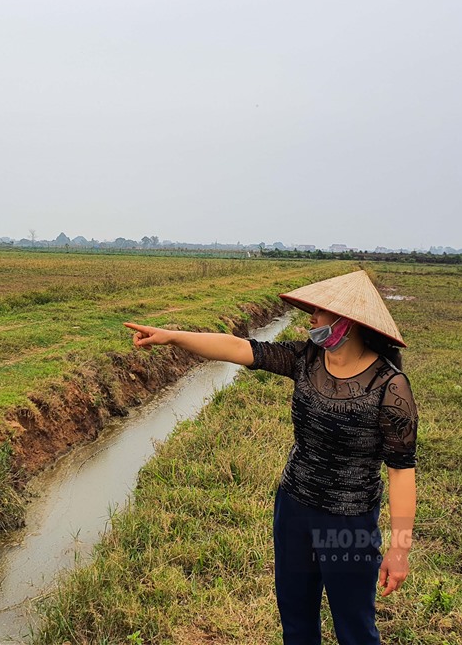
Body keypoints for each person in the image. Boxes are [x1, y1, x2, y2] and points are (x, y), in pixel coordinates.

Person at [124, 269, 417, 645]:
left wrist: (399, 548)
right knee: (295, 620)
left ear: (349, 322)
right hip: (293, 510)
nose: (311, 318)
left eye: (320, 312)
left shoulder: (390, 387)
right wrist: (173, 337)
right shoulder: (305, 358)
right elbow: (237, 347)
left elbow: (400, 472)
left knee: (355, 628)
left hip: (348, 525)